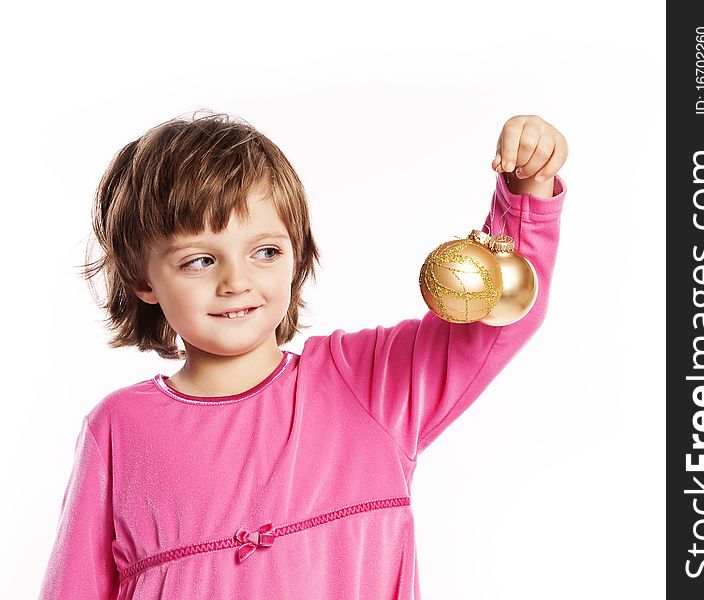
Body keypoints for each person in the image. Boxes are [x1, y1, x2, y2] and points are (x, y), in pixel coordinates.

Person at [38, 112, 567, 599]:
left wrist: (524, 194)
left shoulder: (368, 385)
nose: (236, 281)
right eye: (199, 260)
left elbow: (496, 320)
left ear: (297, 253)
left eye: (265, 251)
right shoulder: (119, 428)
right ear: (141, 278)